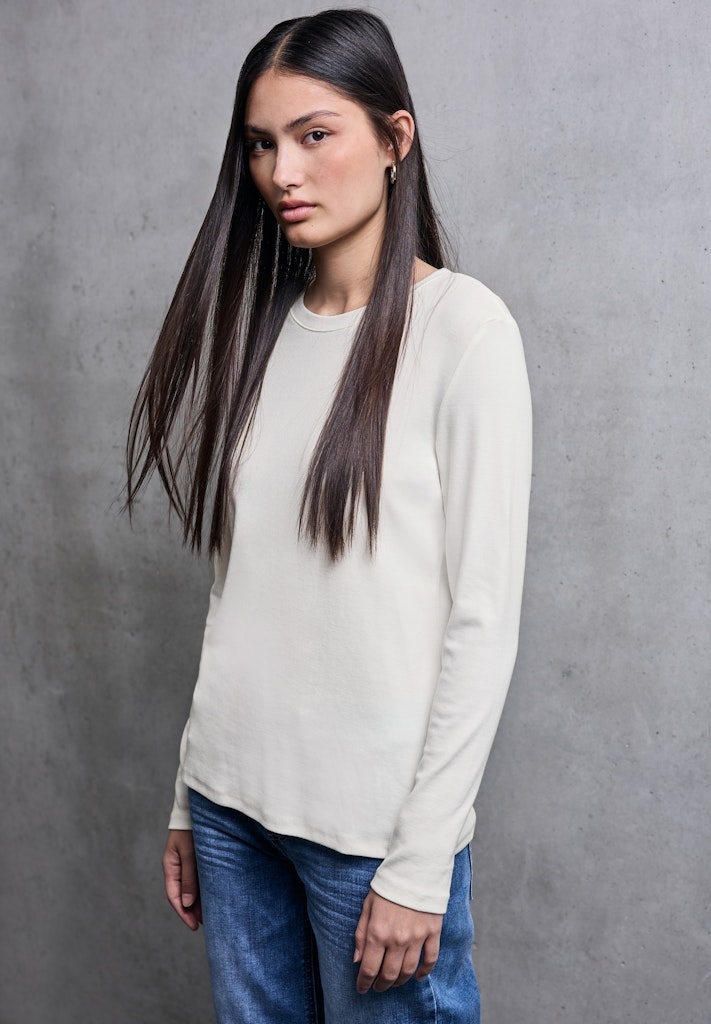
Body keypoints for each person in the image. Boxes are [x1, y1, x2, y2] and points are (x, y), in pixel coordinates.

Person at [126, 8, 532, 1023]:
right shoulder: (266, 334)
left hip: (372, 839)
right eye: (262, 145)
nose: (284, 173)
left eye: (315, 135)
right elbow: (241, 589)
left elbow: (483, 620)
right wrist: (188, 793)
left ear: (396, 139)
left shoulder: (464, 331)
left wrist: (421, 860)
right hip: (232, 813)